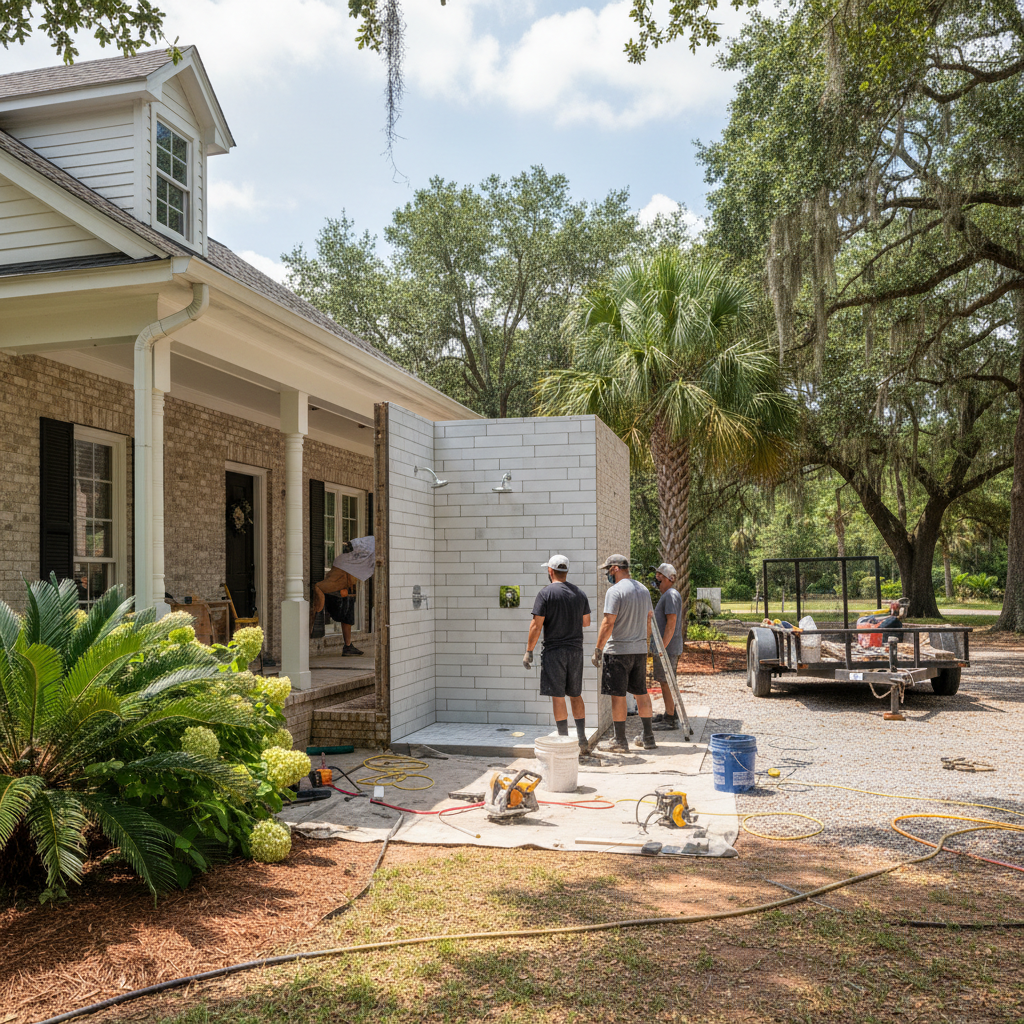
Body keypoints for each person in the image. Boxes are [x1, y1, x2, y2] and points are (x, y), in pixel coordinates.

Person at [524, 554, 592, 757]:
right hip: (575, 651)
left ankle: (563, 740)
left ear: (550, 571)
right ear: (566, 572)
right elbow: (586, 622)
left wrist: (529, 651)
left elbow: (536, 625)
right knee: (575, 694)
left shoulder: (545, 594)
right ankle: (581, 740)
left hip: (554, 652)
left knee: (558, 696)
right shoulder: (579, 594)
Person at [592, 553, 656, 753]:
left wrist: (598, 649)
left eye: (608, 570)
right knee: (641, 692)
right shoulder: (644, 590)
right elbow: (649, 620)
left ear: (615, 568)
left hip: (618, 651)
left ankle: (619, 741)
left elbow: (608, 622)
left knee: (617, 695)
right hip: (638, 651)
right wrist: (643, 644)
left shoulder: (615, 591)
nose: (607, 575)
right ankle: (648, 737)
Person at [310, 535, 376, 656]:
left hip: (347, 593)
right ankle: (346, 645)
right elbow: (334, 580)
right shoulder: (343, 560)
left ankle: (348, 646)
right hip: (336, 594)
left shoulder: (354, 560)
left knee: (348, 618)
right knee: (339, 616)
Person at [651, 562, 684, 731]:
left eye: (659, 576)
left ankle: (670, 719)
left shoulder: (671, 594)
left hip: (668, 649)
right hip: (666, 647)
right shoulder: (668, 595)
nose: (656, 579)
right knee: (665, 681)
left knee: (666, 682)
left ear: (668, 579)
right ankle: (669, 712)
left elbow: (671, 623)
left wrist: (662, 647)